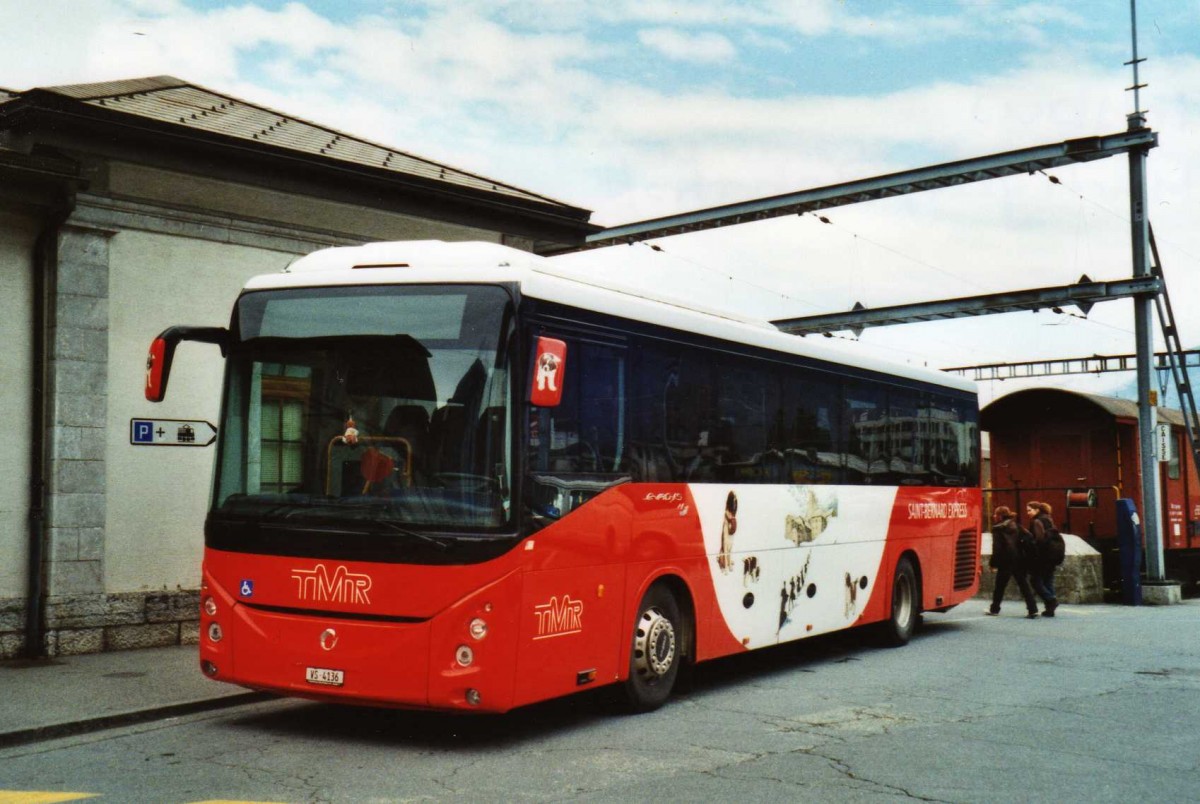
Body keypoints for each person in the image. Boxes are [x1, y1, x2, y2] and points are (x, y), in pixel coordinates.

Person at [986, 506, 1038, 619]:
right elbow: (1029, 536)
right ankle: (1033, 609)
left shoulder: (998, 528)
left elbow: (997, 549)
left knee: (999, 586)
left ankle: (994, 609)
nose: (994, 516)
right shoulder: (1016, 525)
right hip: (1019, 559)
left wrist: (993, 564)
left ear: (1000, 515)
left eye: (995, 514)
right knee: (1024, 585)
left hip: (1005, 561)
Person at [1026, 501, 1060, 617]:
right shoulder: (1049, 519)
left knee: (1035, 581)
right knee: (1048, 581)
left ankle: (1051, 600)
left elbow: (1039, 539)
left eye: (1029, 510)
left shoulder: (1037, 521)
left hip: (1041, 556)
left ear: (1037, 510)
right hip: (1051, 555)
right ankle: (1050, 609)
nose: (1028, 513)